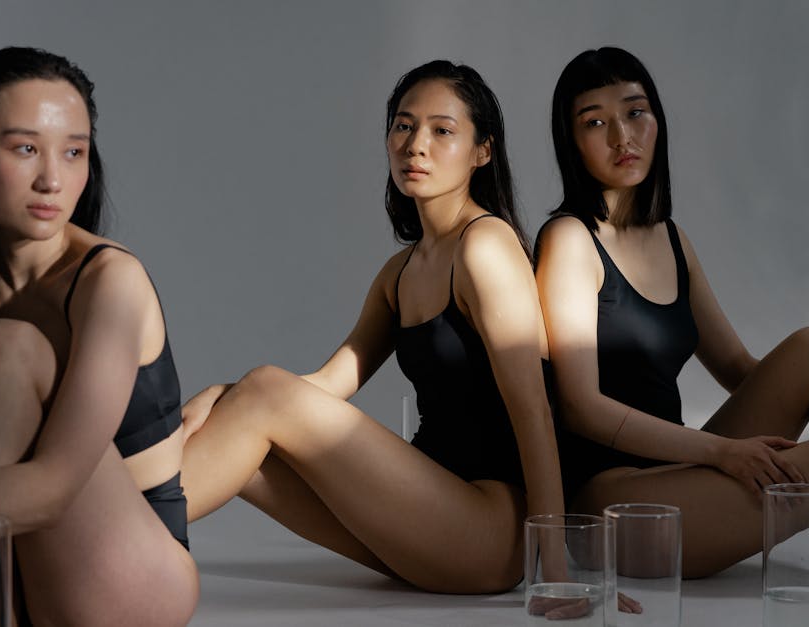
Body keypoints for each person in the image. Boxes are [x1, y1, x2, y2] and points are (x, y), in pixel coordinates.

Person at [180, 60, 565, 594]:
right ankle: (89, 535)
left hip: (488, 530)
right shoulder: (399, 274)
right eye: (404, 126)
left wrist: (561, 575)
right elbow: (326, 388)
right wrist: (227, 396)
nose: (416, 145)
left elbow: (535, 413)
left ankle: (93, 540)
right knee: (237, 452)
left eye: (442, 130)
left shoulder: (486, 245)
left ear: (484, 151)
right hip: (424, 522)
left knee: (262, 391)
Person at [535, 46, 809, 578]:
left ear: (657, 121)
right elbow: (581, 408)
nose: (623, 137)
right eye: (596, 122)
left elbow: (736, 367)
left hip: (679, 472)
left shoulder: (671, 238)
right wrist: (722, 453)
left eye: (635, 112)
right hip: (612, 507)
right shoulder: (570, 240)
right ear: (571, 143)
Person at [0, 47, 198, 625]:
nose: (52, 178)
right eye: (25, 148)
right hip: (18, 569)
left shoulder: (108, 280)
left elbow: (51, 491)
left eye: (74, 152)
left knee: (6, 348)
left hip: (129, 575)